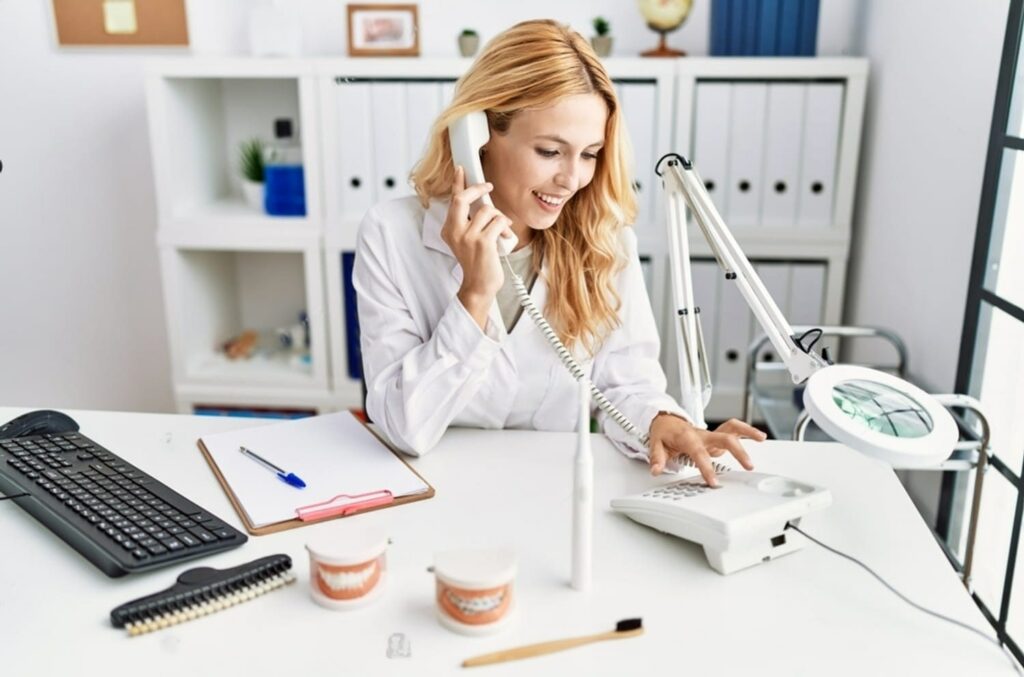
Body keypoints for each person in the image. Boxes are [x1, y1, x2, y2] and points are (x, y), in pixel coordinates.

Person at [353, 19, 765, 486]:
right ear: (477, 136)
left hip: (554, 489)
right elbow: (402, 426)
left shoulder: (605, 241)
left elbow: (626, 383)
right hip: (435, 489)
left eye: (590, 154)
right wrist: (474, 296)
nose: (573, 179)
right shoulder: (391, 233)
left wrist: (661, 422)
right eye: (551, 151)